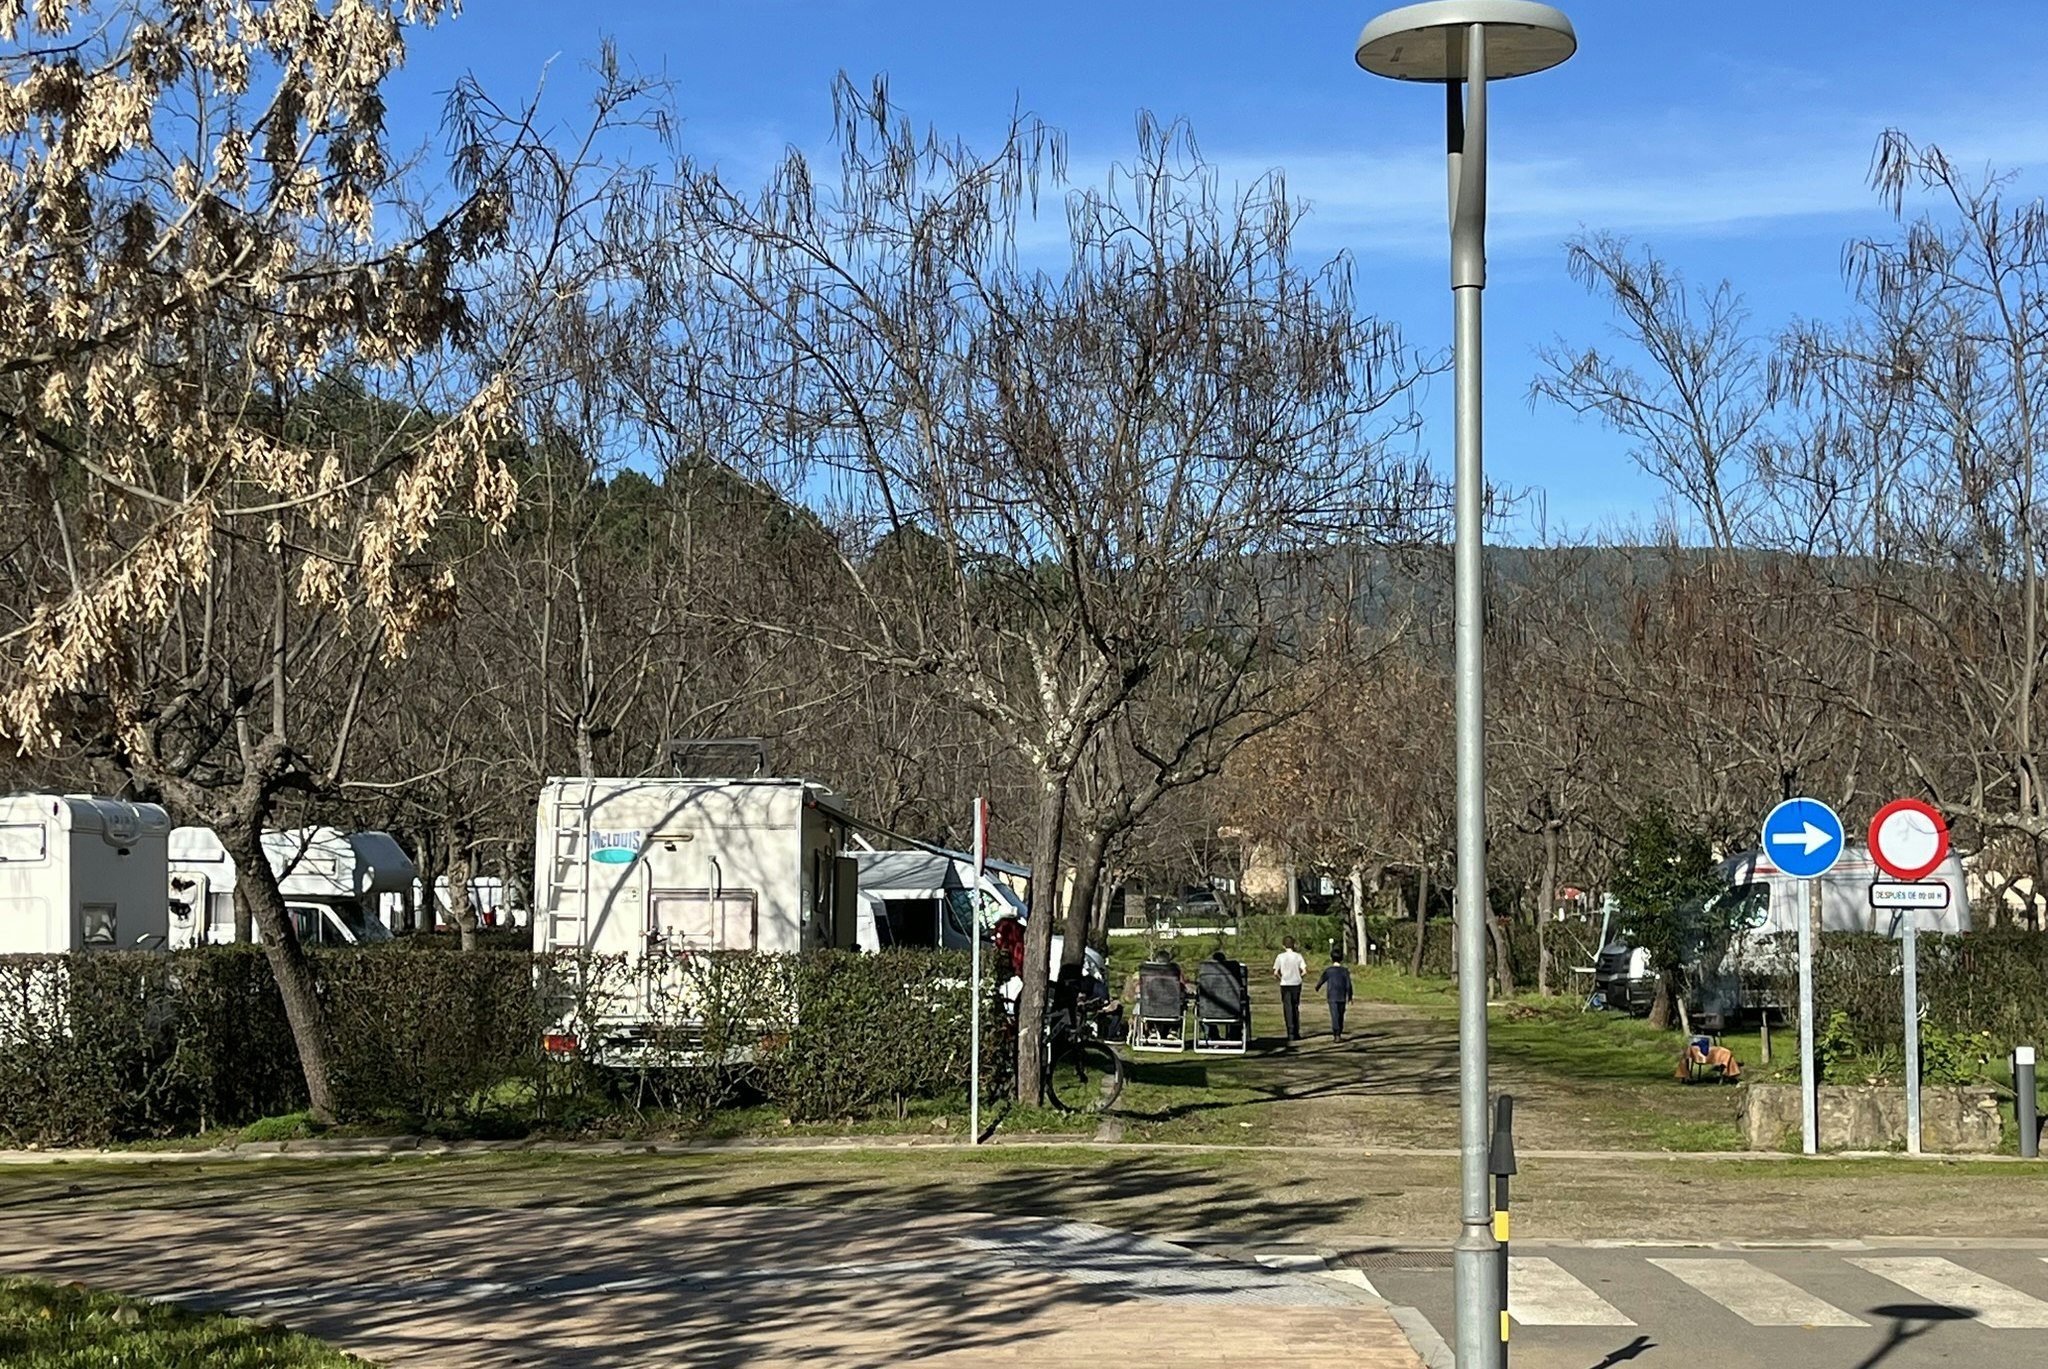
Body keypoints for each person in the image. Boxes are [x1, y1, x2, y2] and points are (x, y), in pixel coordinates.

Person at [1273, 936, 1307, 1044]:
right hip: (1296, 983)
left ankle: (1290, 1032)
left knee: (1287, 1008)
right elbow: (1304, 971)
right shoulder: (1298, 956)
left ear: (1283, 945)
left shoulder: (1280, 957)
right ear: (1294, 944)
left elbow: (1275, 972)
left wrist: (1281, 978)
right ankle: (1296, 1031)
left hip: (1285, 984)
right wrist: (1299, 977)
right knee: (1295, 1006)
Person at [1315, 952, 1355, 1040]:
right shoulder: (1345, 970)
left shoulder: (1329, 970)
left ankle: (1336, 1033)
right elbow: (1348, 984)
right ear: (1342, 959)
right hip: (1342, 995)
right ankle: (1339, 1031)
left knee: (1334, 1014)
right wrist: (1350, 996)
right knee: (1341, 1014)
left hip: (1332, 995)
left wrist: (1317, 987)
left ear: (1331, 958)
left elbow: (1322, 979)